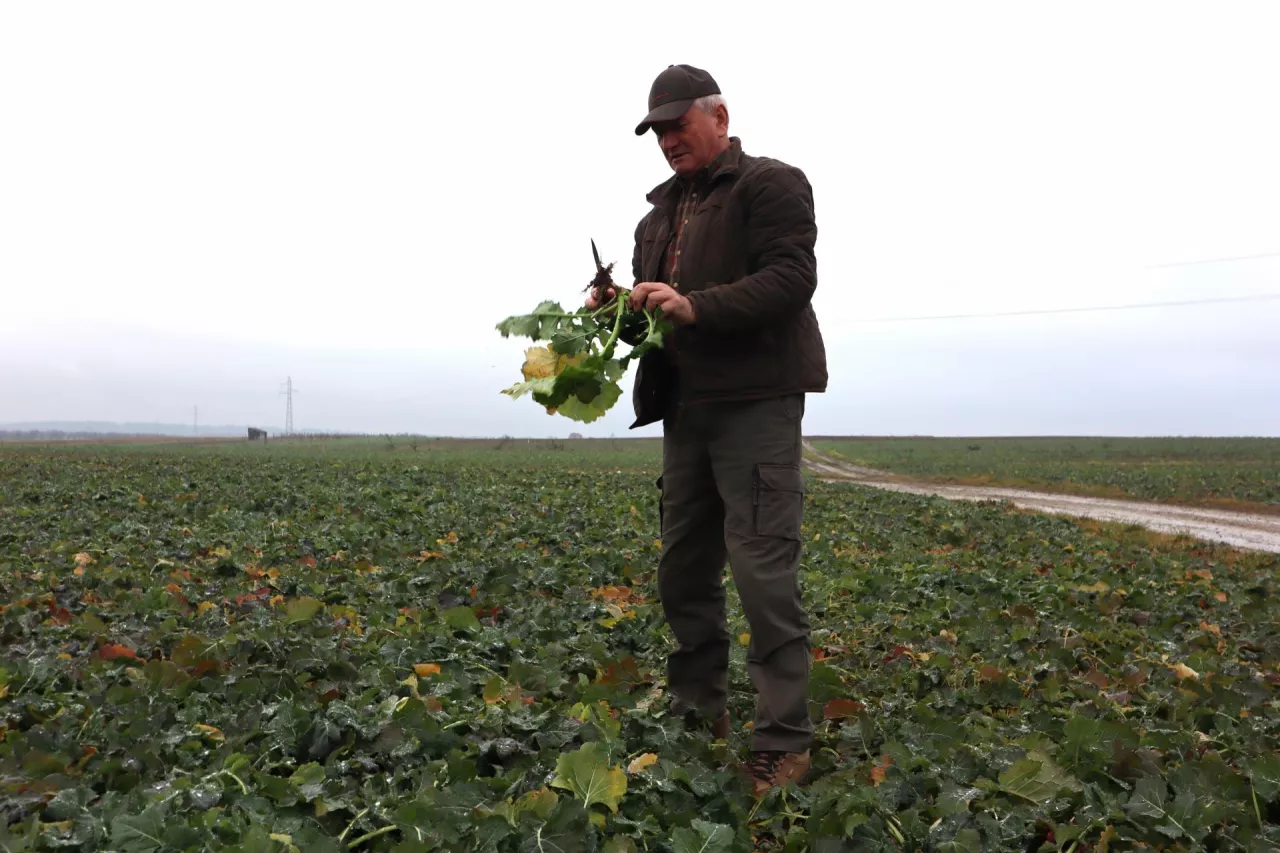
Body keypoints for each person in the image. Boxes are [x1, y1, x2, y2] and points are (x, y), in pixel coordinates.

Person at [589, 64, 828, 797]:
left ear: (717, 116)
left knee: (761, 571)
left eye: (676, 124)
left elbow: (791, 280)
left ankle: (783, 740)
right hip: (687, 410)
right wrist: (619, 312)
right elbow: (654, 323)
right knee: (683, 569)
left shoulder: (770, 185)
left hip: (755, 403)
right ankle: (698, 715)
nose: (666, 140)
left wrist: (695, 305)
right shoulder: (655, 219)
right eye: (656, 130)